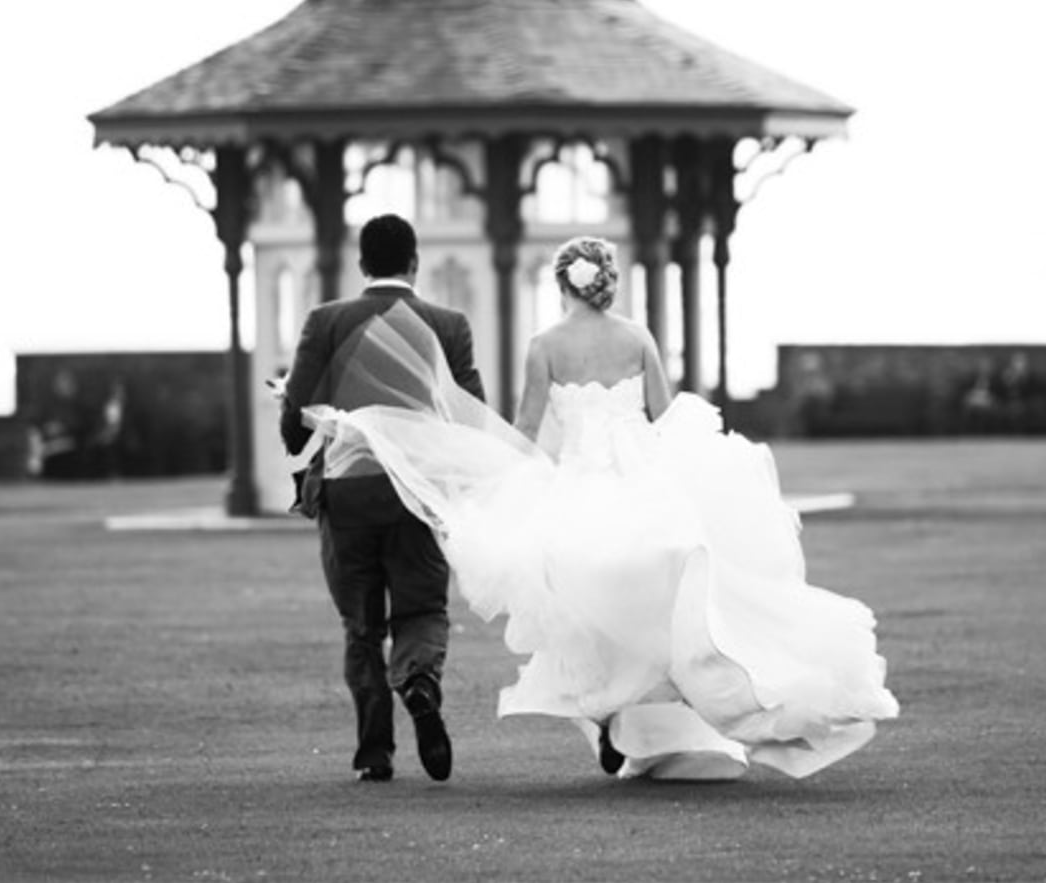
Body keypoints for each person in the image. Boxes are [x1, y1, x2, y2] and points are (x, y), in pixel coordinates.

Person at [303, 235, 898, 781]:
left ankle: (608, 717)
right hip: (642, 486)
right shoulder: (637, 338)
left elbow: (528, 430)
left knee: (580, 609)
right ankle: (660, 708)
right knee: (660, 607)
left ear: (563, 286)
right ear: (605, 281)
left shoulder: (544, 347)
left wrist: (483, 472)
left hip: (579, 491)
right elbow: (663, 418)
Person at [279, 213, 484, 784]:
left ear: (362, 264)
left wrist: (299, 438)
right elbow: (472, 413)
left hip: (349, 491)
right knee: (422, 607)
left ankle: (375, 752)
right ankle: (419, 682)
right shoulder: (447, 324)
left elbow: (296, 411)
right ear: (414, 262)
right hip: (416, 492)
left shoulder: (327, 320)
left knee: (361, 626)